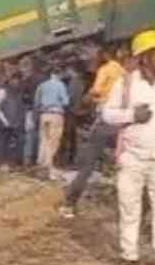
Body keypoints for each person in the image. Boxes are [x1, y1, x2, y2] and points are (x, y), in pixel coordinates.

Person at [101, 29, 155, 265]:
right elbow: (106, 114)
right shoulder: (124, 84)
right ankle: (129, 257)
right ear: (144, 57)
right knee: (130, 207)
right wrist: (132, 115)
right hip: (132, 157)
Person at [59, 44, 129, 218]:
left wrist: (85, 101)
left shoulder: (106, 69)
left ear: (105, 55)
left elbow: (96, 92)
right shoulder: (126, 73)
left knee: (87, 165)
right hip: (122, 121)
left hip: (104, 120)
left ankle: (69, 204)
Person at [34, 66, 70, 180]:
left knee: (44, 139)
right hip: (56, 114)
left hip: (44, 115)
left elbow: (36, 102)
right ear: (59, 74)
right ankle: (48, 166)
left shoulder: (42, 85)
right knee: (53, 140)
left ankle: (40, 162)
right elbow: (66, 102)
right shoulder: (60, 85)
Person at [61, 63, 87, 167]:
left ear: (72, 70)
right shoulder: (81, 83)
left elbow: (69, 98)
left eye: (68, 70)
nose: (67, 72)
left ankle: (65, 160)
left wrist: (63, 104)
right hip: (75, 111)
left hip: (69, 112)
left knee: (66, 136)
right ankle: (72, 159)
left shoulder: (73, 82)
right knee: (72, 136)